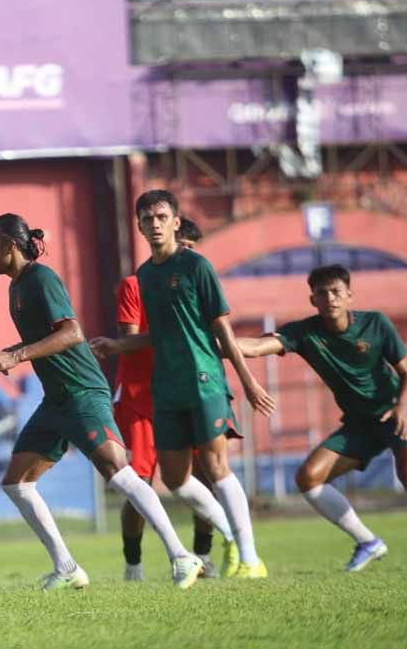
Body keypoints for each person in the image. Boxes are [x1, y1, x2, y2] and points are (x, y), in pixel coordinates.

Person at [0, 213, 206, 591]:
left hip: (82, 393)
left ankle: (182, 555)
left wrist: (16, 357)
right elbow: (45, 338)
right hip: (56, 401)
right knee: (16, 483)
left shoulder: (42, 279)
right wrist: (10, 352)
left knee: (118, 470)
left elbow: (72, 333)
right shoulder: (16, 287)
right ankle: (66, 567)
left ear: (8, 246)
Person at [236, 264, 407, 571]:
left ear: (349, 296)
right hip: (359, 424)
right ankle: (368, 542)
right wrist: (212, 343)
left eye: (336, 292)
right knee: (308, 478)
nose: (330, 298)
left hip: (398, 411)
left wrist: (400, 408)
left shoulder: (376, 324)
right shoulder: (303, 332)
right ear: (312, 299)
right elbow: (256, 347)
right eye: (322, 293)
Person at [91, 189, 274, 579]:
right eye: (147, 218)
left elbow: (221, 329)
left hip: (203, 380)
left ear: (175, 221)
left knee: (215, 467)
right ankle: (226, 535)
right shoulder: (144, 276)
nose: (154, 224)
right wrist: (118, 344)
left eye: (161, 217)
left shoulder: (196, 266)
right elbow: (158, 336)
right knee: (174, 479)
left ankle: (250, 556)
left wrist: (247, 380)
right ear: (139, 225)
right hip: (166, 388)